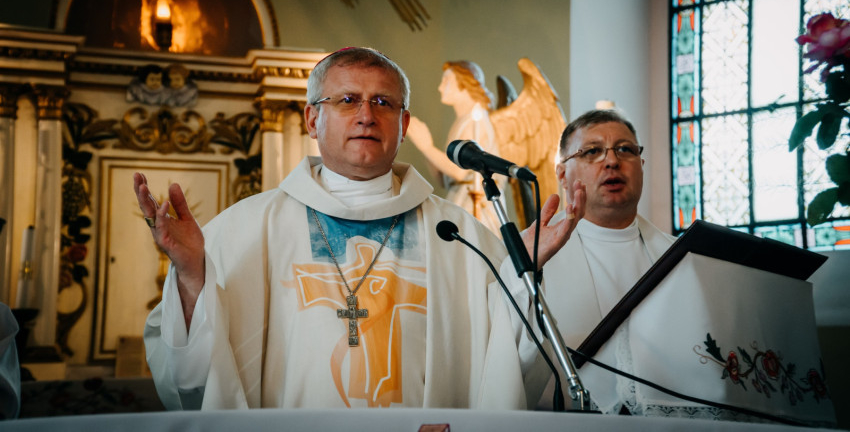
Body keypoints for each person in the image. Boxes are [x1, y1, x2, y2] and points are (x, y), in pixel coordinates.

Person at [135, 47, 585, 410]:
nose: (366, 115)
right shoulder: (247, 227)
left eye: (383, 103)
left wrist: (520, 276)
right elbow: (188, 378)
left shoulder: (459, 234)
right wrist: (191, 277)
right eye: (348, 100)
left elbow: (508, 363)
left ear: (404, 125)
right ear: (313, 119)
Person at [511, 108, 675, 413]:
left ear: (641, 166)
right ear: (562, 175)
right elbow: (504, 358)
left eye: (625, 150)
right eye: (592, 152)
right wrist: (525, 273)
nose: (612, 161)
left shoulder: (678, 256)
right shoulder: (528, 255)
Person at [406, 61, 504, 233]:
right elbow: (446, 180)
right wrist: (426, 149)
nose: (440, 88)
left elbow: (459, 172)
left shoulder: (476, 119)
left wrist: (427, 147)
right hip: (460, 199)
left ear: (464, 84)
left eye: (446, 81)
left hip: (475, 206)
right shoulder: (462, 121)